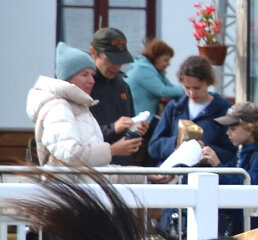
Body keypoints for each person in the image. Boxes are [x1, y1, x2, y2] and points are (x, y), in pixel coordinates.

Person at [27, 42, 143, 167]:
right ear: (68, 78)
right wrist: (113, 150)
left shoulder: (80, 108)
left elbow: (96, 171)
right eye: (85, 75)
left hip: (83, 185)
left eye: (92, 75)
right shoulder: (58, 108)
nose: (92, 81)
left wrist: (145, 176)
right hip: (71, 186)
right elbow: (71, 156)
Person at [205, 101, 258, 232]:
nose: (227, 133)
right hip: (245, 224)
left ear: (250, 129)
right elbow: (232, 172)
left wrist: (218, 165)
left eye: (232, 129)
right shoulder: (245, 150)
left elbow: (251, 187)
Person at [147, 55, 235, 167]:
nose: (192, 93)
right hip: (174, 176)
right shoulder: (174, 107)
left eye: (197, 88)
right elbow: (154, 147)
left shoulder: (223, 109)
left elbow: (232, 152)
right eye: (187, 87)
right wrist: (176, 143)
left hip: (205, 176)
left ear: (208, 83)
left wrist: (207, 151)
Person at [88, 27, 149, 166]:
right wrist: (113, 128)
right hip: (94, 171)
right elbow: (81, 139)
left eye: (120, 60)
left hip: (123, 169)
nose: (116, 66)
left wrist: (136, 131)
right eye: (111, 60)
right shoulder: (84, 86)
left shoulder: (123, 86)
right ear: (94, 53)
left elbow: (127, 134)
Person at [126, 38, 184, 122]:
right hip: (138, 120)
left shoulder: (155, 71)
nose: (169, 64)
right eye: (166, 60)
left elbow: (171, 87)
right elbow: (164, 92)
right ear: (156, 58)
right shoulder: (143, 70)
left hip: (144, 117)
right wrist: (187, 89)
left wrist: (186, 89)